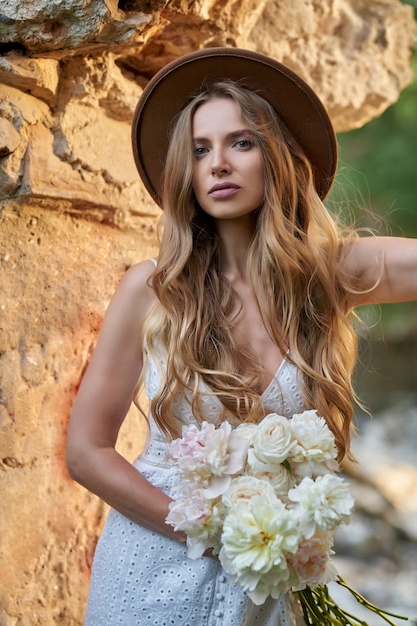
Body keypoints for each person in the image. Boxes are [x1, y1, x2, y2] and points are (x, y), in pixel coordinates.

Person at [66, 48, 417, 626]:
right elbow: (87, 451)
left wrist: (259, 540)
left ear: (276, 158)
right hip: (151, 569)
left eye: (241, 143)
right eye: (200, 150)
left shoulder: (326, 277)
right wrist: (214, 530)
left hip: (266, 582)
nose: (218, 163)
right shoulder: (150, 291)